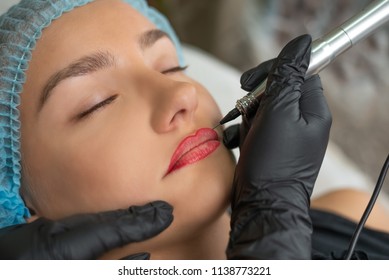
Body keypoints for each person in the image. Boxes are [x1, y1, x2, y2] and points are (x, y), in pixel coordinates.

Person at [0, 0, 388, 260]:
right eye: (97, 102)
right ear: (24, 212)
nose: (182, 93)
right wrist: (273, 223)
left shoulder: (355, 214)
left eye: (170, 66)